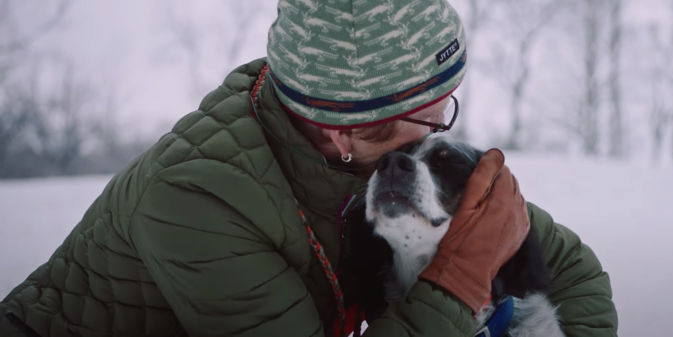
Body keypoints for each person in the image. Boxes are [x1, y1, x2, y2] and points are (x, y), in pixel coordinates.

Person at [0, 0, 618, 336]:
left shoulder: (394, 156)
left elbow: (572, 268)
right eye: (424, 114)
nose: (441, 129)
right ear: (342, 128)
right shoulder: (197, 198)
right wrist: (457, 281)